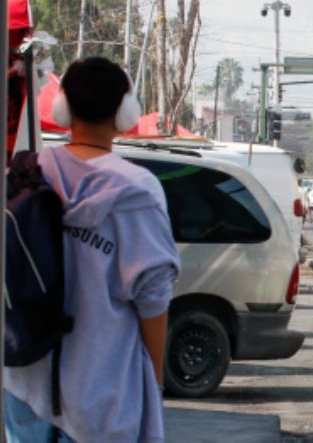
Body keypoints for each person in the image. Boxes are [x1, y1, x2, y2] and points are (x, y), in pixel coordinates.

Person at [3, 57, 180, 443]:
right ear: (124, 113)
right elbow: (152, 297)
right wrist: (155, 377)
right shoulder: (138, 190)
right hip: (101, 389)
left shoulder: (24, 174)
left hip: (23, 380)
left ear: (62, 107)